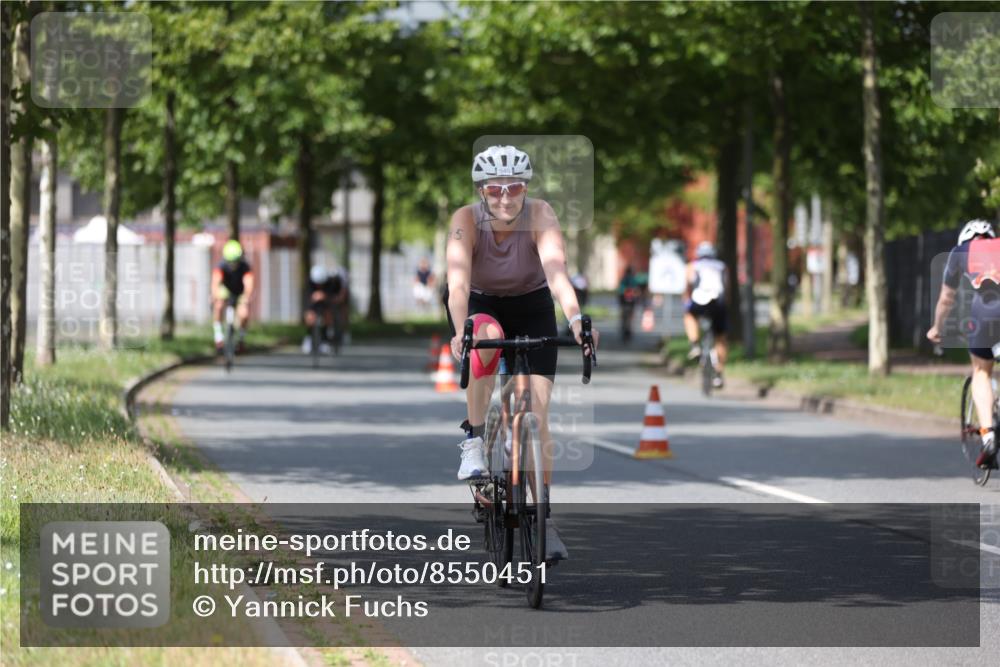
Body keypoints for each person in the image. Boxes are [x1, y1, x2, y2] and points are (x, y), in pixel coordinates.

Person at [444, 144, 599, 561]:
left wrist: (576, 320)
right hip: (483, 304)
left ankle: (544, 521)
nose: (505, 197)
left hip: (532, 308)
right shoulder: (465, 221)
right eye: (495, 189)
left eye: (514, 188)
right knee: (483, 337)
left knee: (534, 410)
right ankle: (475, 440)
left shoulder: (541, 215)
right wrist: (461, 331)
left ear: (526, 187)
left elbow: (556, 273)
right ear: (482, 190)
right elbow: (457, 284)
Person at [928, 219, 1000, 468]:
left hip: (986, 312)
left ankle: (988, 434)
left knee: (981, 371)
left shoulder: (961, 253)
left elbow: (946, 298)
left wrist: (937, 327)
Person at [683, 241, 728, 388]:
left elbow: (688, 286)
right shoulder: (722, 266)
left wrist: (687, 300)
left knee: (689, 316)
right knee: (720, 338)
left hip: (699, 301)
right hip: (718, 303)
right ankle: (719, 374)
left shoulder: (693, 266)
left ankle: (695, 344)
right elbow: (727, 288)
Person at [212, 239, 254, 353]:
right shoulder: (221, 266)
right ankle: (219, 338)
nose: (233, 264)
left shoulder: (245, 267)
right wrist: (214, 295)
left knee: (244, 313)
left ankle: (241, 340)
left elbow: (248, 284)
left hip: (240, 292)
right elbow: (216, 282)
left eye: (235, 261)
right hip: (226, 291)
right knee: (218, 306)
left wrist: (246, 298)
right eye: (230, 261)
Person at [302, 265, 346, 354]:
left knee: (328, 315)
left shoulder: (332, 282)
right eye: (317, 283)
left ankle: (325, 339)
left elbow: (337, 296)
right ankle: (309, 338)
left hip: (327, 303)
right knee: (310, 316)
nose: (319, 285)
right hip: (313, 304)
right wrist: (313, 297)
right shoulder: (309, 283)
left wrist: (326, 296)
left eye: (321, 283)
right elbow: (306, 298)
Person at [618, 266, 642, 342]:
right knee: (630, 316)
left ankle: (625, 328)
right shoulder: (633, 279)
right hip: (631, 302)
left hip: (624, 302)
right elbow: (637, 291)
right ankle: (628, 329)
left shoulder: (623, 279)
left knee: (624, 316)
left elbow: (620, 291)